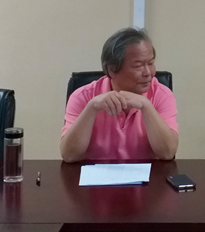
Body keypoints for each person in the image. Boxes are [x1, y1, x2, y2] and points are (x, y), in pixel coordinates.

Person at [61, 28, 179, 162]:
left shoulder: (162, 95)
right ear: (112, 69)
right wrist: (91, 108)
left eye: (151, 63)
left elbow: (167, 153)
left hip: (148, 174)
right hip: (96, 173)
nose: (148, 73)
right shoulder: (82, 96)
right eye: (138, 66)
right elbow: (69, 156)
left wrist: (146, 106)